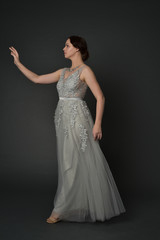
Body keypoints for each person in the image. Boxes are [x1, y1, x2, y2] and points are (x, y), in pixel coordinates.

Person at [9, 35, 126, 223]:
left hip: (78, 120)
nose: (63, 48)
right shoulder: (62, 72)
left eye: (67, 45)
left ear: (77, 49)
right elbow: (37, 79)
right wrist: (18, 63)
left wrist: (97, 124)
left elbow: (101, 97)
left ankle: (60, 209)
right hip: (62, 121)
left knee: (74, 162)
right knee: (67, 163)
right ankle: (75, 204)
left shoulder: (86, 71)